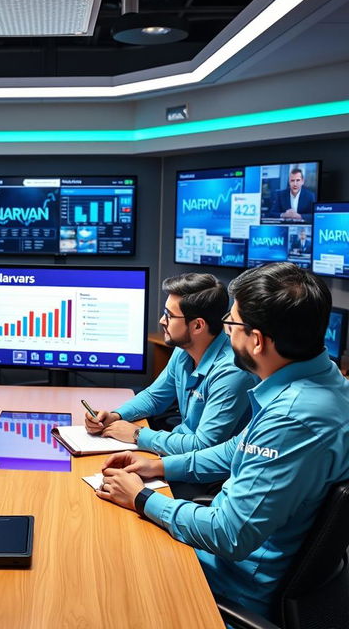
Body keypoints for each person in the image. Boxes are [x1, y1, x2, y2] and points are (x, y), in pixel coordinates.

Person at [95, 262, 349, 620]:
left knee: (99, 568)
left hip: (230, 584)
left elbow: (229, 534)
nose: (226, 336)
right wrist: (160, 465)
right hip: (236, 555)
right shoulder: (320, 384)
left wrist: (141, 497)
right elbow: (235, 449)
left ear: (257, 341)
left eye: (231, 325)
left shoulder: (293, 418)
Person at [84, 273, 256, 460]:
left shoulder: (231, 372)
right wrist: (117, 415)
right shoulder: (185, 349)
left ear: (198, 326)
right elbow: (154, 397)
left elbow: (203, 445)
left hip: (206, 471)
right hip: (178, 451)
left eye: (169, 315)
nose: (161, 321)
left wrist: (137, 435)